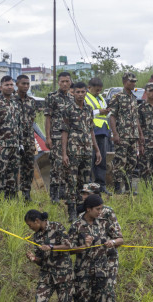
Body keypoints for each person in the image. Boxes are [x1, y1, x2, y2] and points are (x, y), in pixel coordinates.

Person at [69, 193, 121, 302]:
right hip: (83, 272)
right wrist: (83, 245)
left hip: (101, 271)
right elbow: (68, 249)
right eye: (97, 209)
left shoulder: (104, 223)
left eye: (101, 208)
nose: (100, 211)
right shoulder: (77, 226)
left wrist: (112, 242)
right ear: (88, 209)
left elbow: (120, 239)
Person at [24, 209, 73, 302]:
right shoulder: (36, 237)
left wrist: (51, 247)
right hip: (47, 275)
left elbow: (68, 245)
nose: (30, 228)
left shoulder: (57, 227)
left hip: (64, 275)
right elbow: (41, 259)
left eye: (30, 224)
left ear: (37, 221)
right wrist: (34, 259)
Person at [60, 82, 101, 222]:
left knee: (84, 183)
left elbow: (91, 131)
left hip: (87, 150)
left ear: (86, 93)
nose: (80, 94)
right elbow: (64, 132)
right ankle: (71, 211)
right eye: (77, 92)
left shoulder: (89, 109)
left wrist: (97, 150)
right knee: (71, 182)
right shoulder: (68, 109)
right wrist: (64, 153)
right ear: (73, 93)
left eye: (83, 92)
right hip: (73, 151)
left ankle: (82, 210)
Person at [108, 72, 144, 195]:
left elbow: (136, 118)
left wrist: (140, 134)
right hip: (122, 135)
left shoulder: (134, 98)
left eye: (134, 81)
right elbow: (112, 116)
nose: (133, 83)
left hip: (133, 136)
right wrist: (115, 133)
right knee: (120, 161)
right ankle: (118, 188)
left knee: (132, 161)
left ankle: (128, 187)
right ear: (124, 82)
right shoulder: (117, 97)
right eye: (131, 81)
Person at [0, 76, 21, 199]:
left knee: (13, 172)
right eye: (7, 85)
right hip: (1, 144)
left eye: (11, 85)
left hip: (14, 144)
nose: (9, 87)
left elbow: (18, 123)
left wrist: (20, 141)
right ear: (1, 87)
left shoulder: (15, 102)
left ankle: (11, 198)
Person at [45, 71, 73, 202]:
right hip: (56, 136)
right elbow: (48, 118)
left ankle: (63, 191)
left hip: (70, 137)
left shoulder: (72, 98)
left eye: (67, 81)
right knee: (56, 166)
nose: (65, 84)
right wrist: (48, 137)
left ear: (70, 82)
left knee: (67, 165)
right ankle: (54, 195)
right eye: (62, 81)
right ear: (58, 82)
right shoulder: (52, 97)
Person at [15, 75, 39, 200]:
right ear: (17, 84)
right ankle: (13, 195)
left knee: (28, 167)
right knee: (14, 167)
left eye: (27, 84)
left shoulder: (31, 101)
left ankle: (26, 193)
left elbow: (32, 120)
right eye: (23, 83)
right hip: (14, 139)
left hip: (28, 139)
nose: (25, 86)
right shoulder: (12, 100)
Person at [86, 77, 111, 189]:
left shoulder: (101, 98)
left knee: (102, 160)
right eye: (96, 90)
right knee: (90, 160)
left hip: (103, 131)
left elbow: (104, 113)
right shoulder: (85, 97)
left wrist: (107, 112)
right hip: (92, 131)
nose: (99, 92)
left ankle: (101, 186)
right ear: (89, 88)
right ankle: (90, 187)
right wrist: (99, 111)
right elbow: (85, 112)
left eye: (100, 89)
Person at [139, 82, 153, 182]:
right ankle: (147, 192)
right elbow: (139, 127)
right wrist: (140, 145)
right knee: (146, 170)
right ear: (146, 92)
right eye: (151, 90)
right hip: (146, 144)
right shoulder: (141, 108)